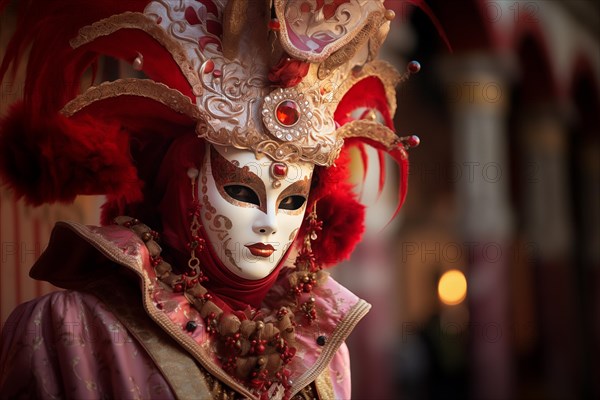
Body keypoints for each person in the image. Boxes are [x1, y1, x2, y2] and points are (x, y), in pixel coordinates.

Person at [0, 1, 419, 398]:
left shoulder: (324, 349)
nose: (270, 222)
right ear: (184, 187)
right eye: (241, 190)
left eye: (293, 200)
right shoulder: (71, 331)